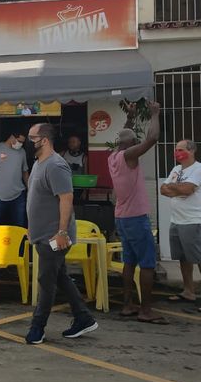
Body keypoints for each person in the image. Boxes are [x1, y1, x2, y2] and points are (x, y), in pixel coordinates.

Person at [25, 124, 98, 344]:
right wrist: (32, 227)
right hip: (42, 234)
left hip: (54, 237)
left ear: (44, 140)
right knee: (60, 276)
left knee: (46, 281)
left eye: (31, 138)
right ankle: (83, 318)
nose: (26, 142)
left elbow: (66, 199)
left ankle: (37, 327)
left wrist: (62, 232)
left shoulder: (56, 165)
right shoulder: (39, 163)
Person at [108, 101, 167, 324]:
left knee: (129, 262)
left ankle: (127, 305)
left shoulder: (113, 156)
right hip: (136, 218)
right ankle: (146, 310)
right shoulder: (129, 155)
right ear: (132, 144)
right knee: (147, 264)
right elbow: (152, 138)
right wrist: (154, 114)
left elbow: (125, 135)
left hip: (122, 218)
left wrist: (130, 118)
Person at [160, 139, 201, 305]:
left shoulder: (198, 169)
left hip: (193, 220)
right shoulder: (176, 169)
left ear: (191, 151)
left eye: (180, 150)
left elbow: (188, 189)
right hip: (176, 220)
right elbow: (163, 189)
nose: (177, 153)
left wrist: (174, 187)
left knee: (199, 258)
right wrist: (180, 188)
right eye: (176, 150)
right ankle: (188, 291)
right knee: (183, 258)